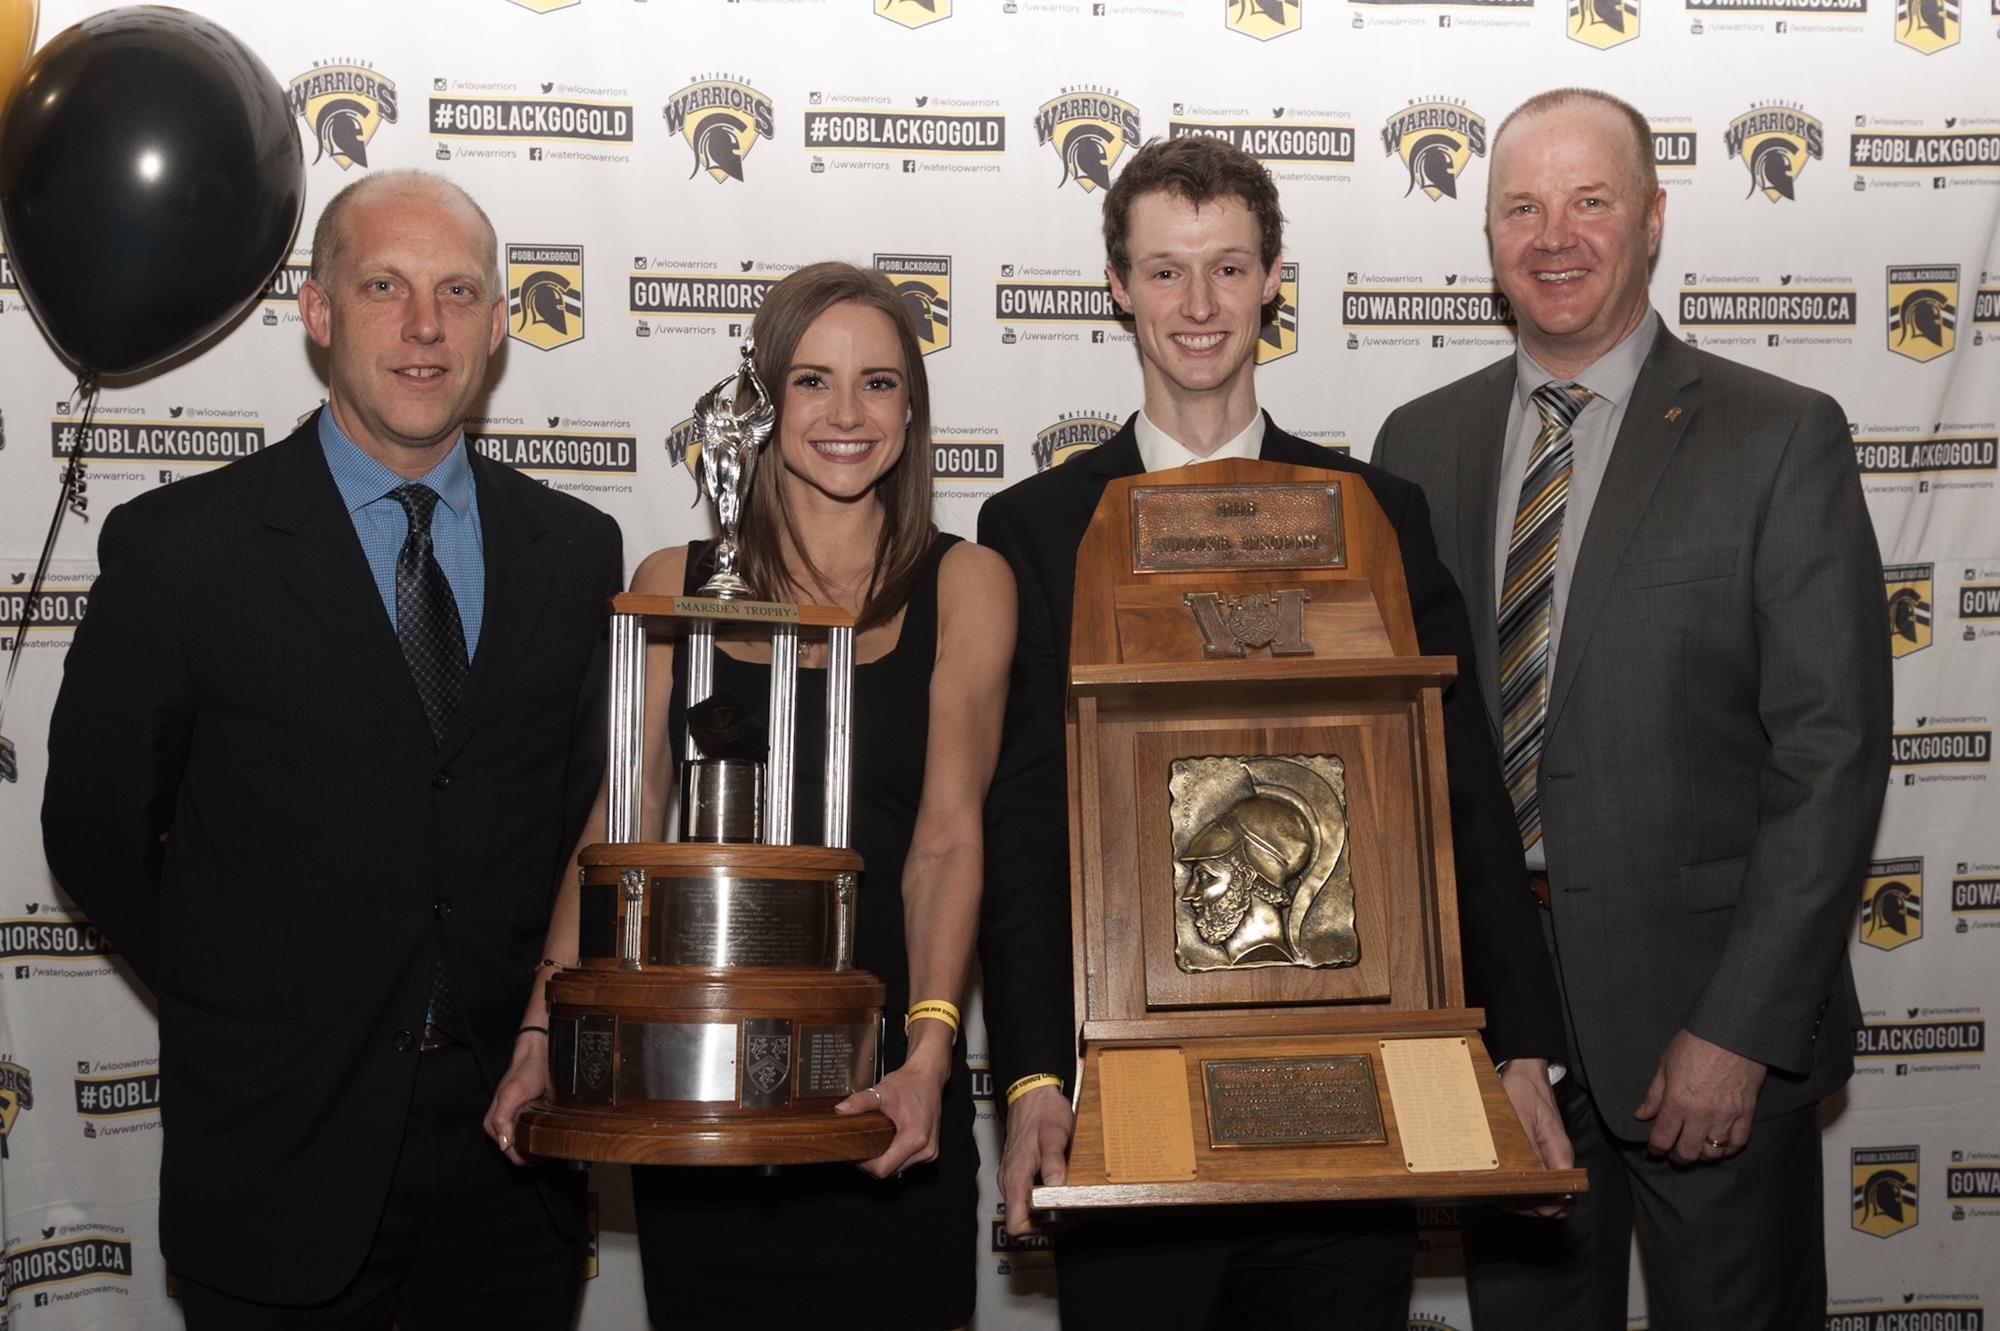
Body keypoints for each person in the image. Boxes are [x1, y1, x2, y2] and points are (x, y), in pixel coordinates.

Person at [976, 133, 1572, 1329]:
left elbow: (1453, 791)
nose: (1197, 306)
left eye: (1228, 269)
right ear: (1115, 286)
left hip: (1352, 1110)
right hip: (1130, 1111)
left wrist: (1519, 1048)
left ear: (1271, 281)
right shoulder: (1037, 525)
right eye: (1163, 271)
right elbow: (1029, 823)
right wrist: (1037, 1078)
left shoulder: (1371, 513)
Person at [40, 171, 621, 1328]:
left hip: (518, 1160)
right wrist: (244, 1001)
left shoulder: (574, 550)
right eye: (384, 287)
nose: (424, 327)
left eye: (459, 291)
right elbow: (96, 830)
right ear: (316, 311)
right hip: (277, 1158)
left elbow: (582, 825)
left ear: (502, 322)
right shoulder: (181, 550)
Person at [1371, 87, 1891, 1330]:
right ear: (1488, 237)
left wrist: (1741, 1030)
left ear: (1652, 220)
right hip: (1500, 1023)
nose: (1554, 236)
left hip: (1703, 1018)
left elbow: (1829, 756)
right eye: (1521, 207)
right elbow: (1403, 752)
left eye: (1589, 201)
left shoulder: (1777, 437)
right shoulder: (1414, 447)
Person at [483, 262, 1015, 1331]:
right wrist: (544, 1023)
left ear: (911, 411)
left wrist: (924, 1055)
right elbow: (617, 823)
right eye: (812, 380)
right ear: (762, 408)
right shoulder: (678, 573)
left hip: (883, 1103)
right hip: (706, 1103)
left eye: (877, 383)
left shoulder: (967, 582)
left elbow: (946, 839)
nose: (846, 413)